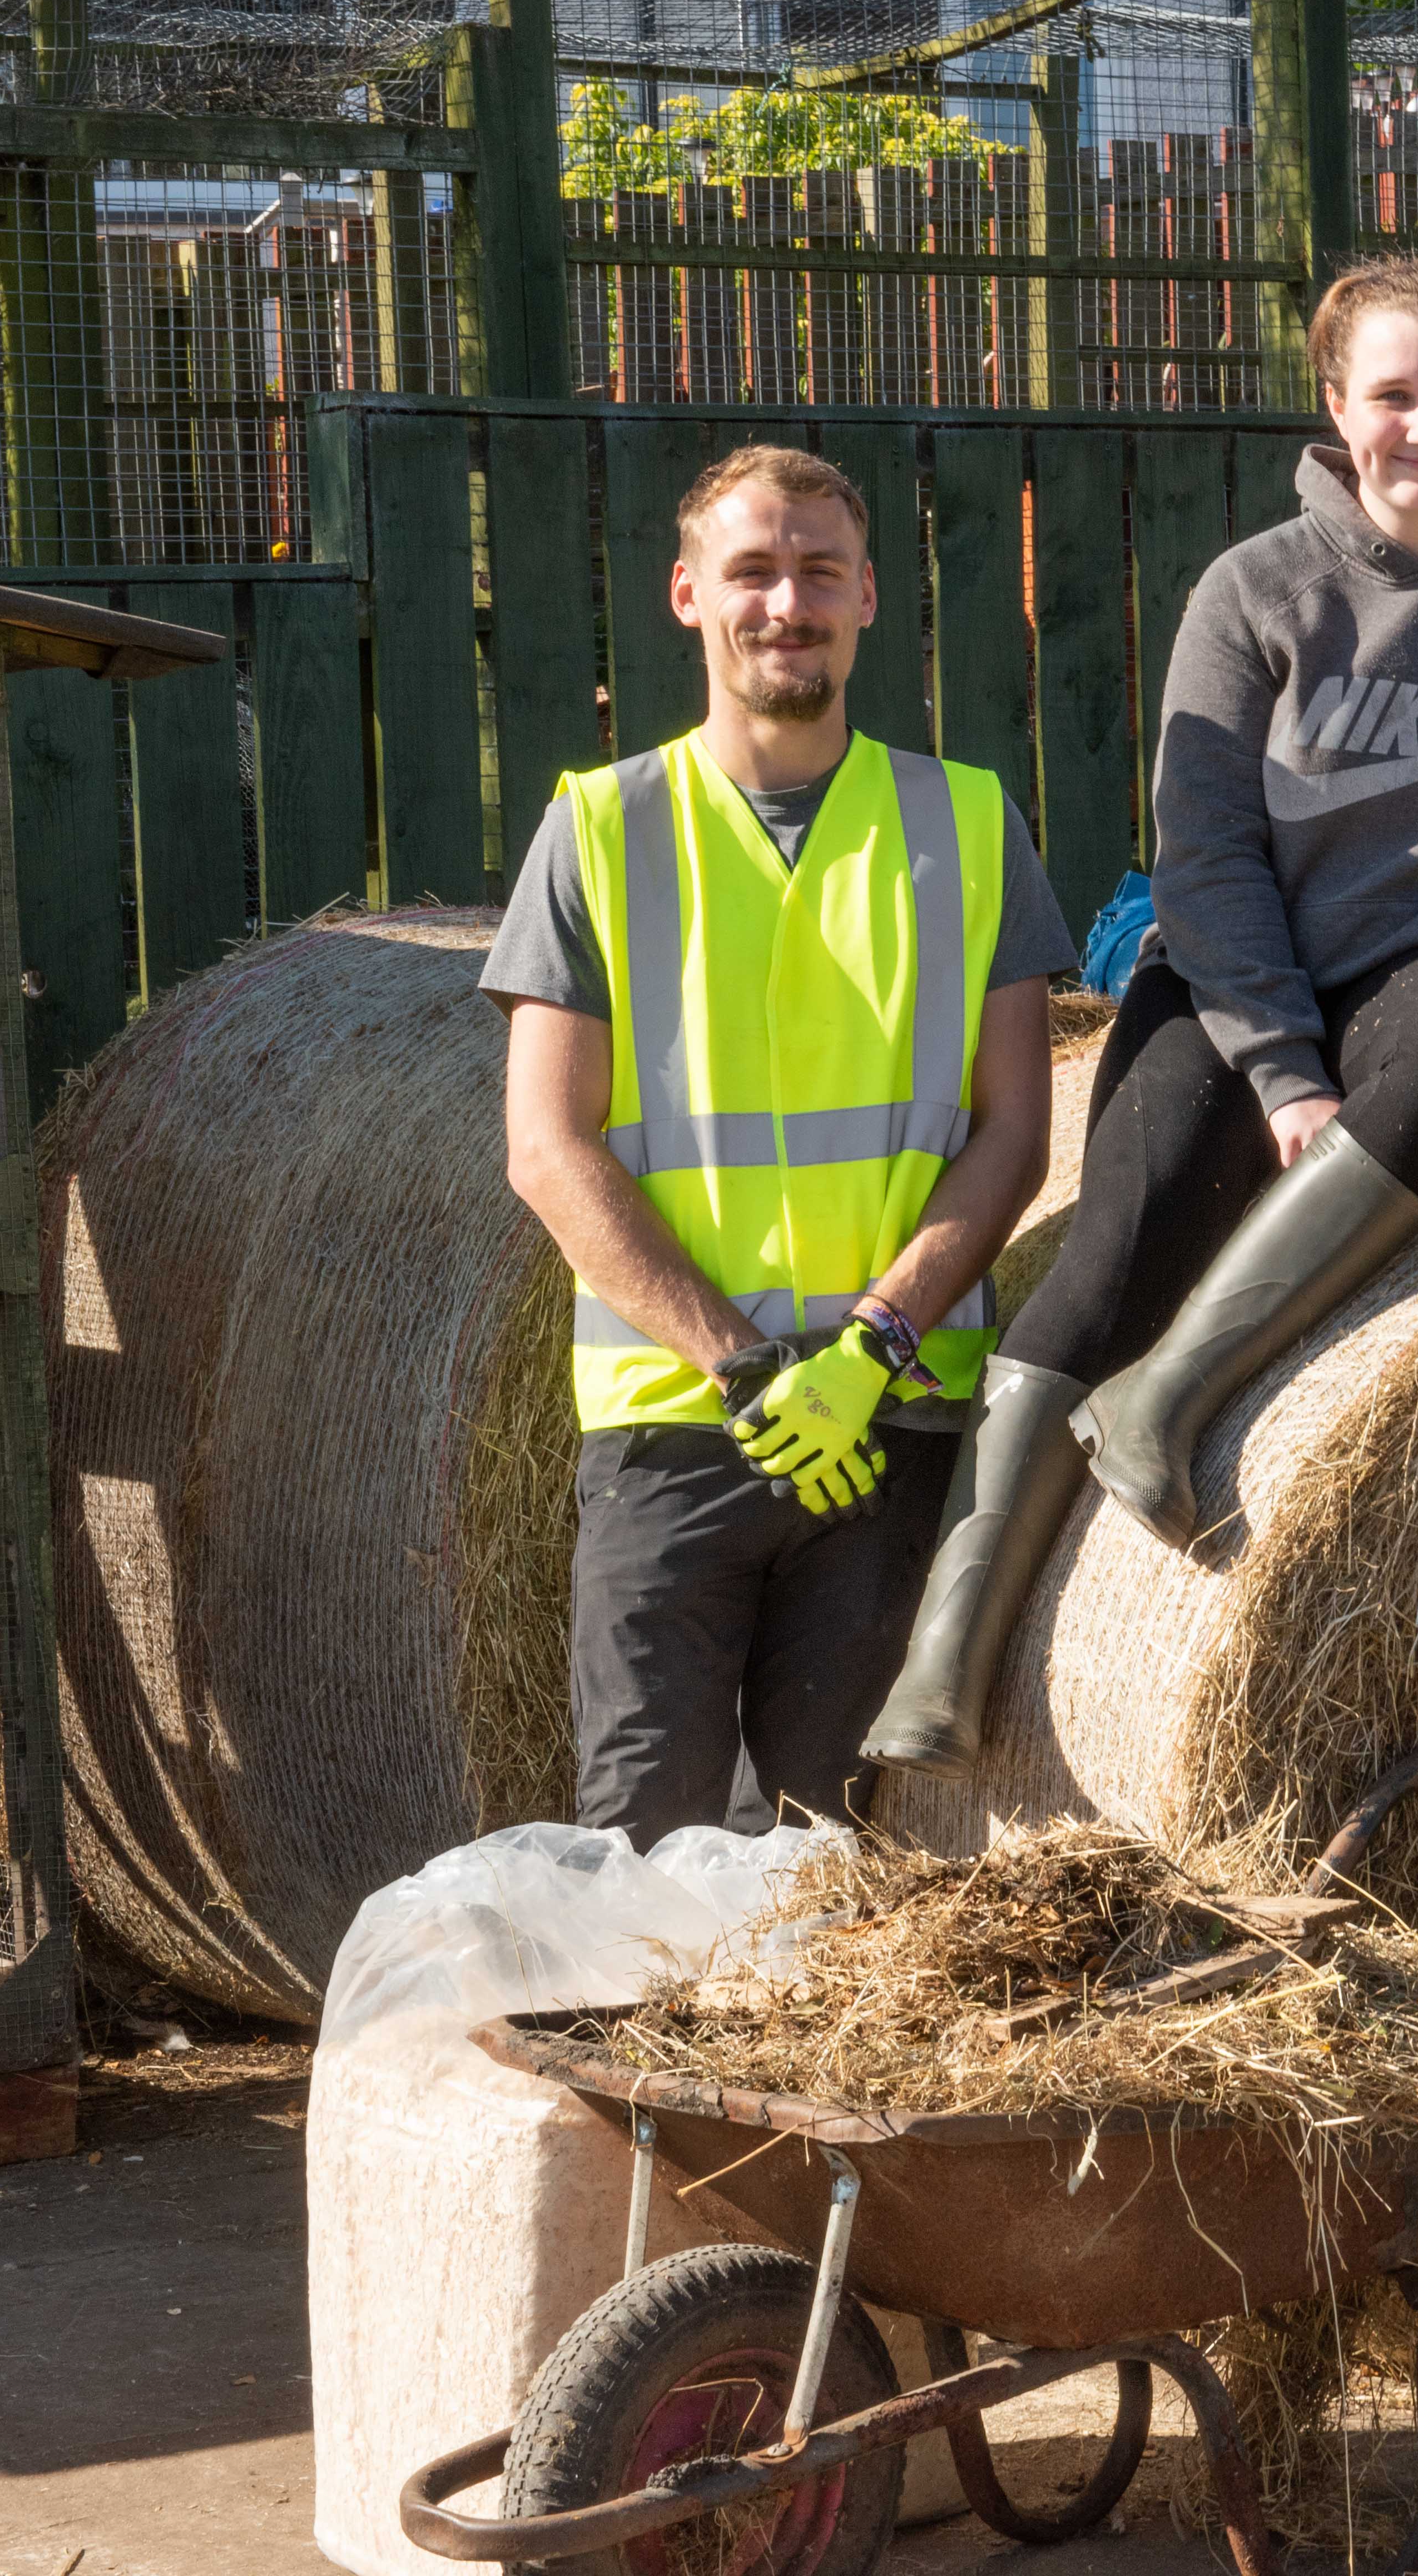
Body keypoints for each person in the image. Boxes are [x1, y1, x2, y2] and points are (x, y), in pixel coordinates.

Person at [862, 255, 1418, 1768]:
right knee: (1134, 1221)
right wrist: (1281, 1069)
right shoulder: (1256, 591)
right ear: (1333, 406)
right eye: (1393, 396)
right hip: (1240, 975)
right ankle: (947, 1651)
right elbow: (1209, 855)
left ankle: (1167, 1401)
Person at [487, 444, 1073, 1845]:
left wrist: (866, 1351)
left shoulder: (970, 821)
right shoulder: (600, 823)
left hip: (892, 1421)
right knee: (639, 1848)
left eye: (819, 571)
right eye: (751, 570)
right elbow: (546, 1149)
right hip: (674, 1423)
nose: (785, 602)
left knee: (850, 1863)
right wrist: (746, 1367)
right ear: (689, 595)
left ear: (870, 597)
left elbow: (1014, 1136)